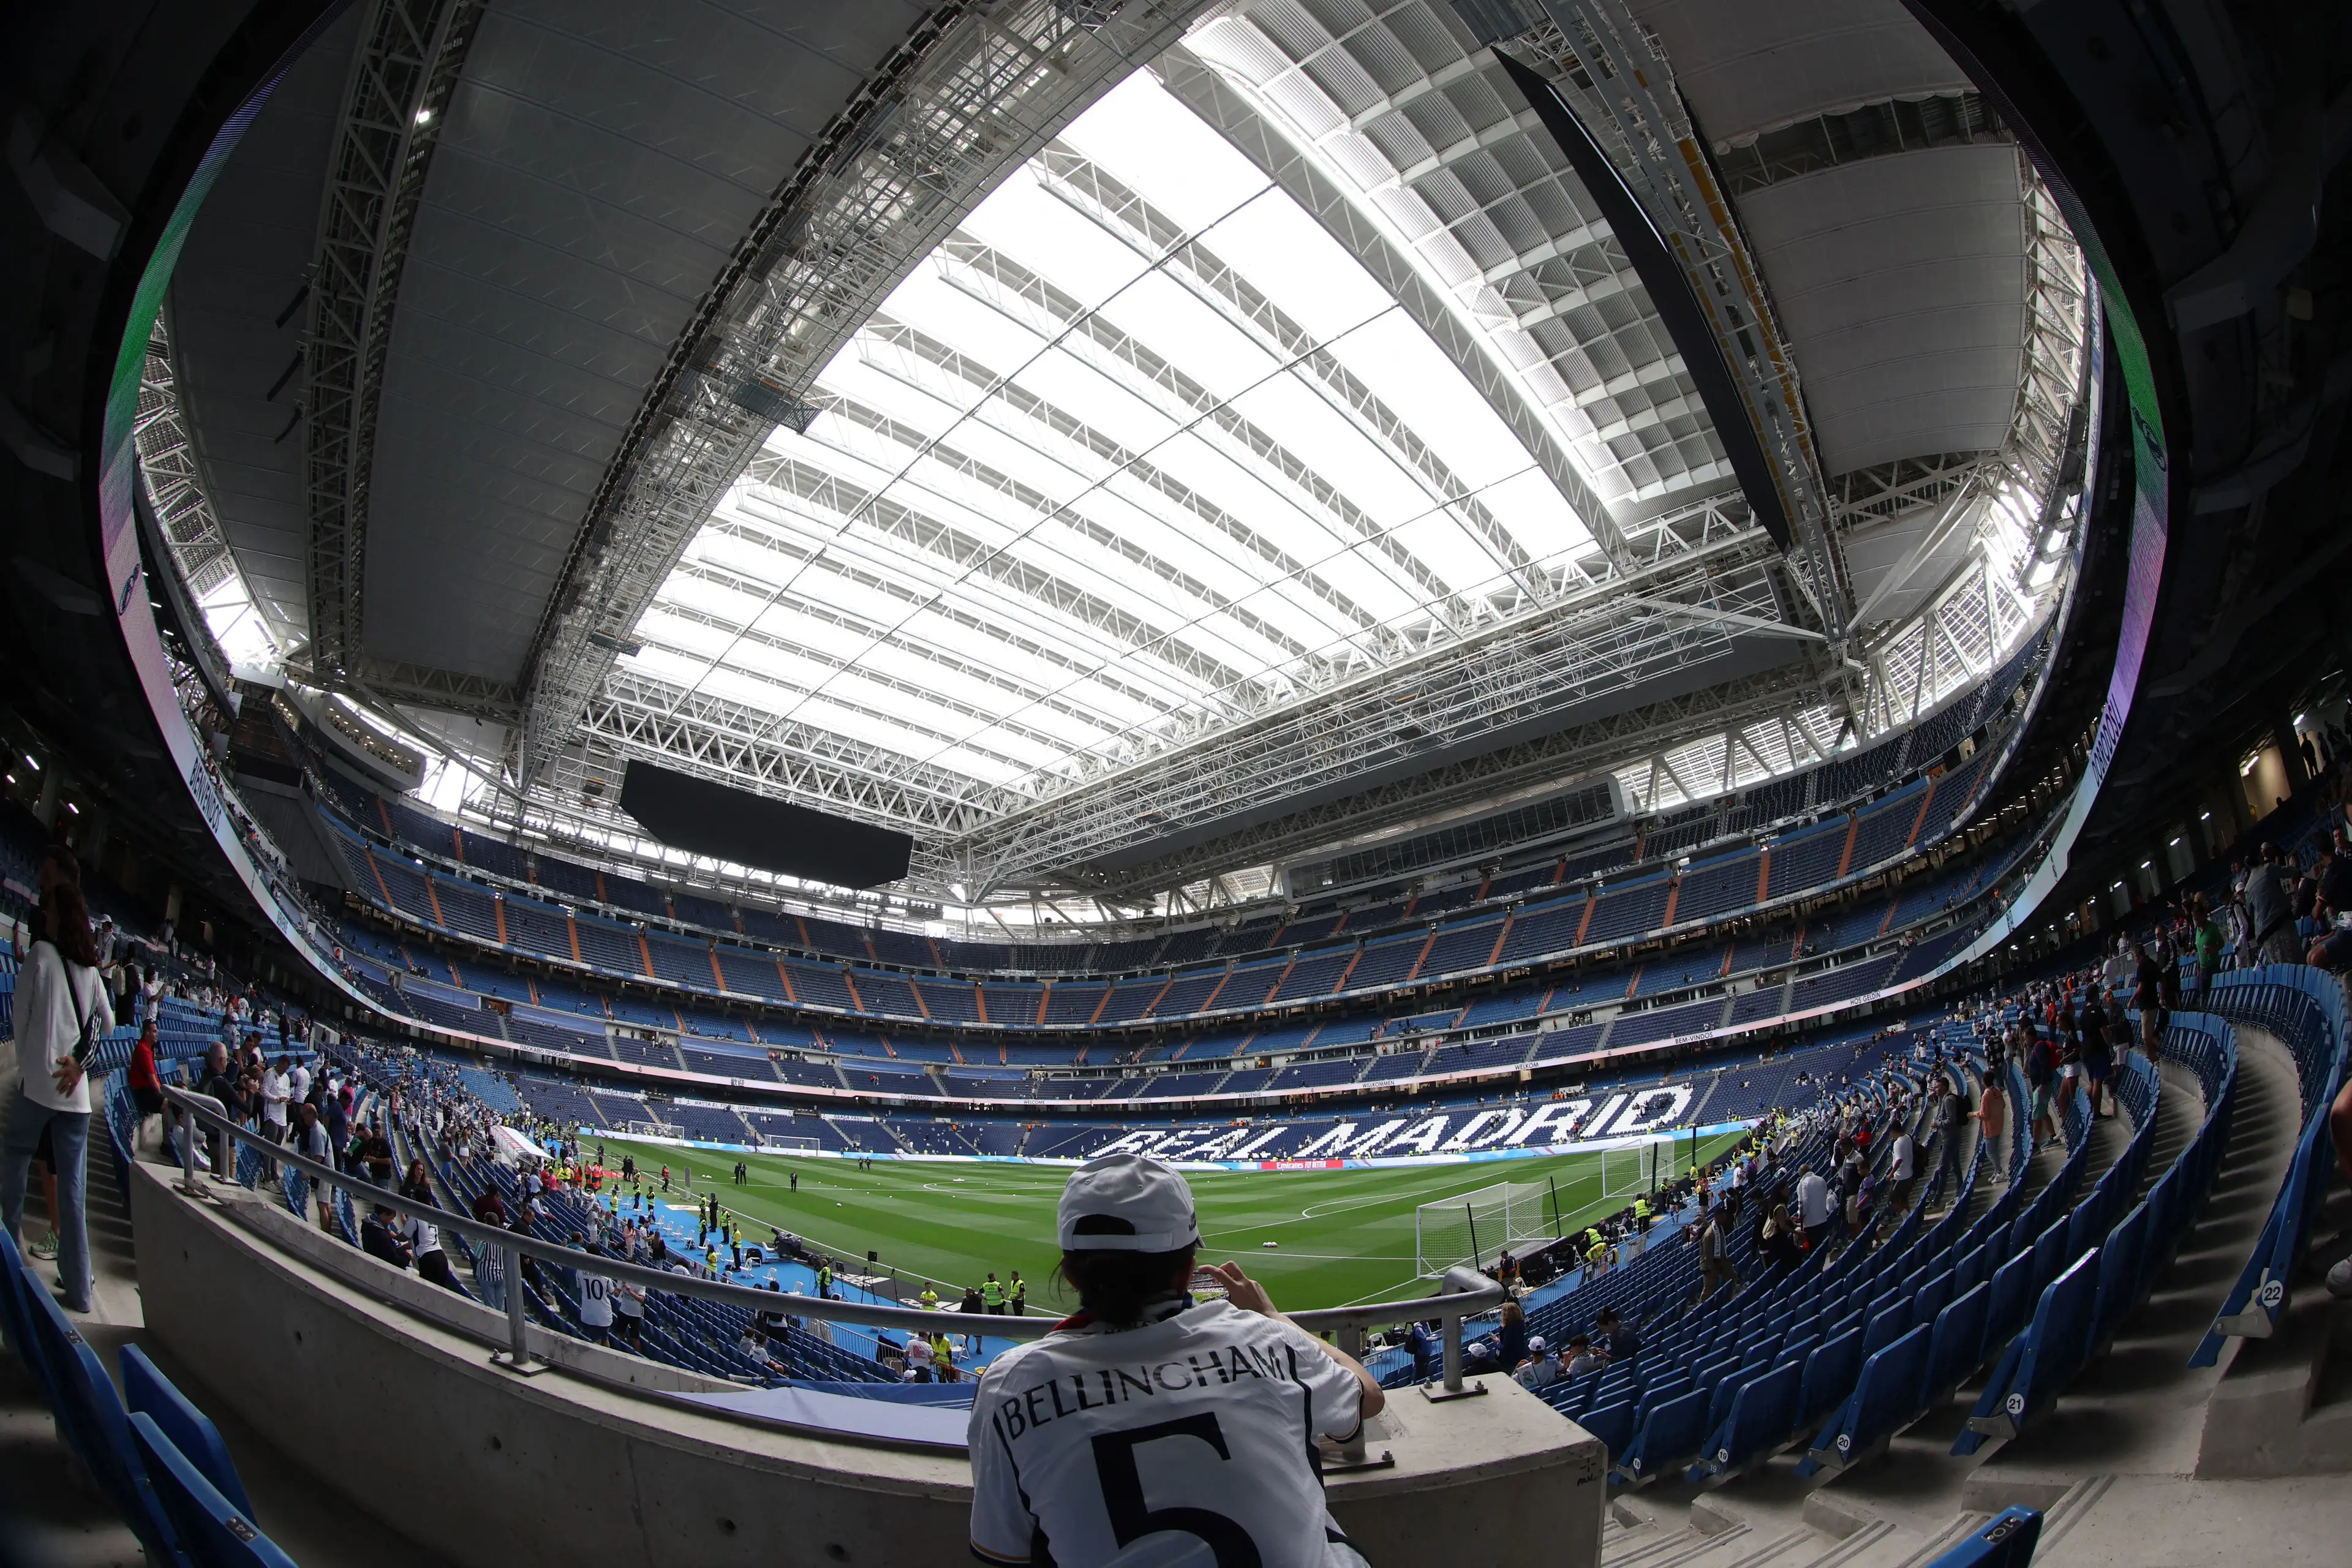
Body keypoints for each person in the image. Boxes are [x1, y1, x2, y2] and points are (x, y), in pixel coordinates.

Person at [967, 1155, 1384, 1568]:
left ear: (1072, 1275)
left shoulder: (1011, 1384)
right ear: (1188, 1271)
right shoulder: (1268, 1340)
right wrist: (1277, 1321)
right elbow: (1367, 1396)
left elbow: (1004, 1552)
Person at [1, 879, 113, 1313]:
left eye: (48, 910)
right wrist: (78, 1064)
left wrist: (35, 1064)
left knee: (14, 1163)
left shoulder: (40, 957)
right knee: (73, 1191)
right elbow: (107, 1025)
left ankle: (10, 1256)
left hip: (38, 1085)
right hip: (77, 1094)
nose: (42, 916)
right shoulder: (90, 970)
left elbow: (19, 1019)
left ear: (58, 917)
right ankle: (80, 1291)